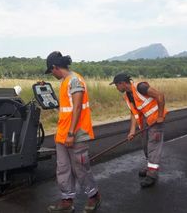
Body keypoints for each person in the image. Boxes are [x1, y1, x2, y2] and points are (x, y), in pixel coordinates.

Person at [45, 51, 101, 213]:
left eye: (51, 71)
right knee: (63, 168)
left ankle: (94, 196)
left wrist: (71, 133)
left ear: (55, 67)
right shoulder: (65, 81)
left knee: (80, 168)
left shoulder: (74, 80)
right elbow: (68, 109)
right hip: (62, 134)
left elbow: (77, 107)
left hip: (75, 134)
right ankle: (67, 200)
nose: (52, 75)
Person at [110, 73, 167, 188]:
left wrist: (160, 116)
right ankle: (150, 166)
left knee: (153, 147)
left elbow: (160, 96)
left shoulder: (140, 87)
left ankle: (152, 175)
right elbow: (133, 113)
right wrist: (132, 131)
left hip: (156, 120)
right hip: (146, 121)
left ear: (122, 83)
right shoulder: (128, 95)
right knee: (145, 145)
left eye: (116, 85)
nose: (116, 88)